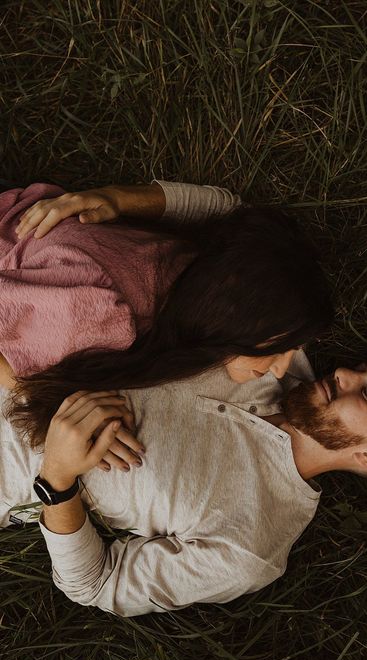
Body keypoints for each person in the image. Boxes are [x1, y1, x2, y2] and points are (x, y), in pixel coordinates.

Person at [1, 348, 367, 617]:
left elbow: (96, 585)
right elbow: (227, 213)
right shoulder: (277, 351)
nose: (345, 374)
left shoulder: (251, 547)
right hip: (21, 330)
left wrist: (57, 480)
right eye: (363, 369)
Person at [0, 181, 333, 464]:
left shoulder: (194, 262)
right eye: (278, 347)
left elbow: (228, 204)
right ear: (235, 318)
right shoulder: (97, 316)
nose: (279, 369)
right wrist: (58, 401)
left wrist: (117, 198)